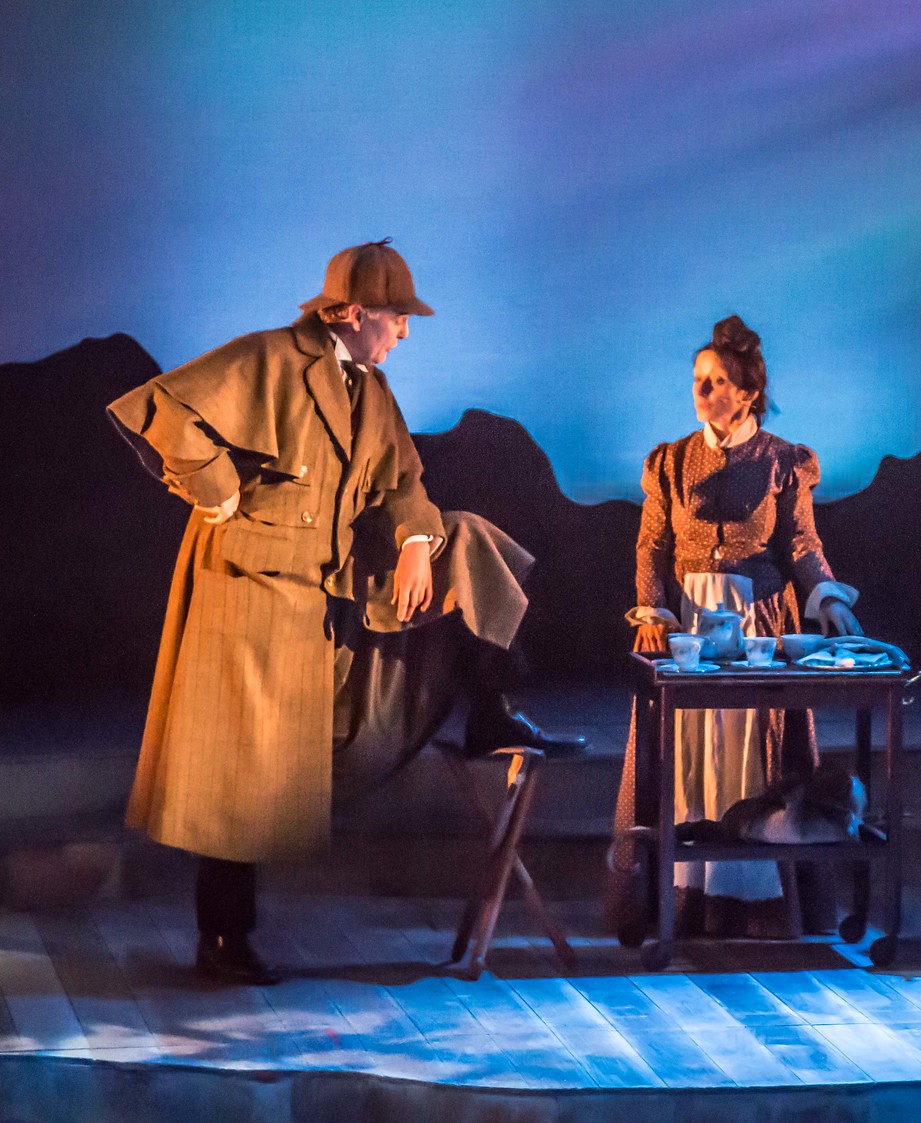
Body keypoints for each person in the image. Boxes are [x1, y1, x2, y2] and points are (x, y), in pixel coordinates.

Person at [108, 240, 585, 985]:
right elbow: (159, 409)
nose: (406, 331)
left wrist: (418, 542)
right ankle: (223, 939)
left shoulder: (371, 389)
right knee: (241, 769)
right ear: (356, 313)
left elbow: (405, 484)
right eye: (398, 317)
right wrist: (216, 489)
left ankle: (491, 705)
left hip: (328, 589)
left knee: (465, 538)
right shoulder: (272, 357)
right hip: (254, 591)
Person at [607, 315, 862, 939]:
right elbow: (652, 545)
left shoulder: (783, 461)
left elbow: (801, 542)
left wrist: (826, 596)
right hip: (689, 624)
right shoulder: (670, 461)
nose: (702, 391)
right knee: (687, 758)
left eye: (718, 381)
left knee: (752, 760)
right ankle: (682, 902)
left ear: (748, 394)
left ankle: (753, 905)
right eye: (698, 378)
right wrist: (652, 610)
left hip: (757, 622)